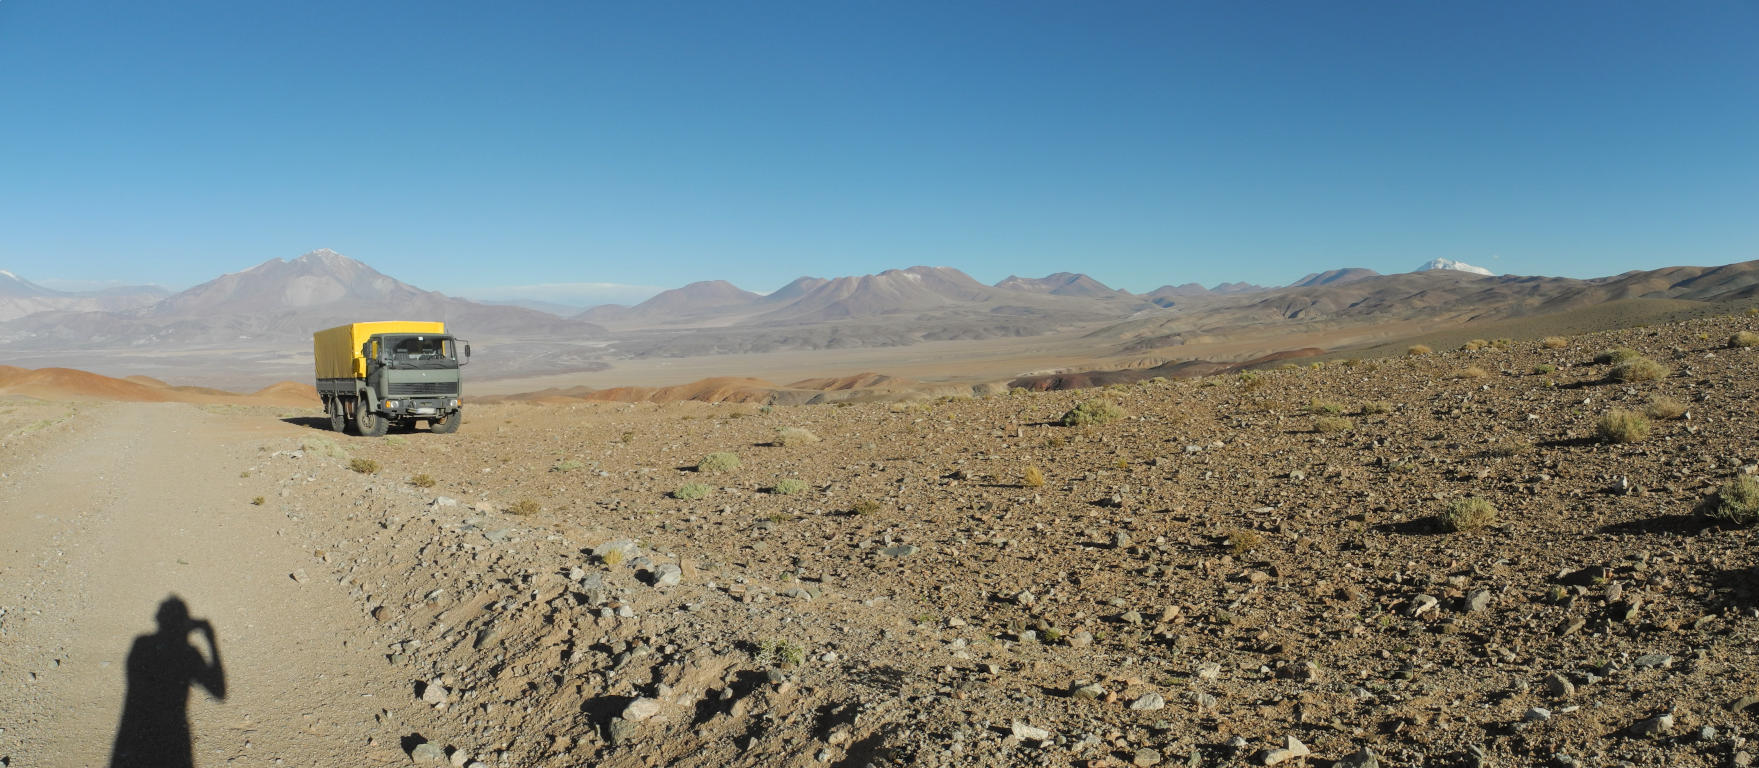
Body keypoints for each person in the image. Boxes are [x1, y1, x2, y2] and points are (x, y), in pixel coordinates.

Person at [109, 596, 226, 768]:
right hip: (175, 735)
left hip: (135, 732)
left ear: (158, 619)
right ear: (185, 623)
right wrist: (210, 639)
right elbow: (219, 691)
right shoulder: (189, 654)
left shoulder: (141, 644)